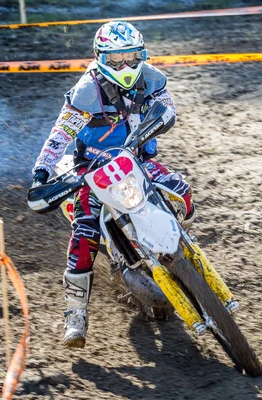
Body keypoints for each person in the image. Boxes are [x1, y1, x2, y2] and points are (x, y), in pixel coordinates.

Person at [29, 21, 196, 348]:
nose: (126, 66)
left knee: (179, 193)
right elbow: (60, 135)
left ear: (142, 53)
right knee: (84, 231)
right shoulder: (86, 91)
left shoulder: (150, 78)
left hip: (136, 159)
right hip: (93, 169)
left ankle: (183, 256)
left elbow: (168, 109)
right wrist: (41, 172)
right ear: (102, 58)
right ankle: (75, 313)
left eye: (132, 57)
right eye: (117, 59)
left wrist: (156, 124)